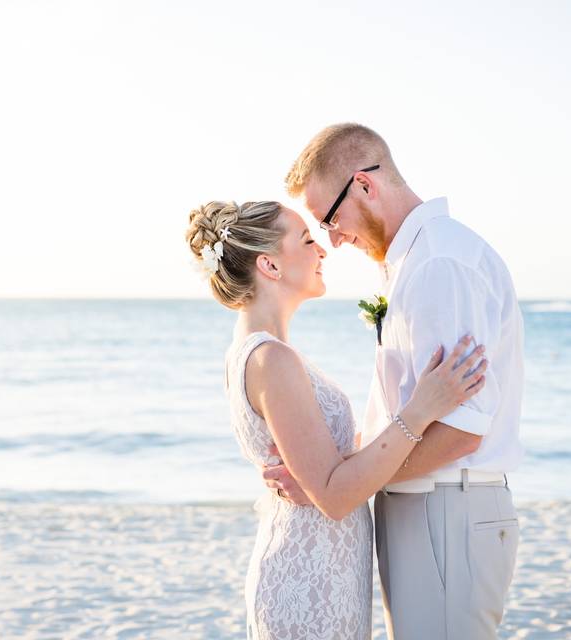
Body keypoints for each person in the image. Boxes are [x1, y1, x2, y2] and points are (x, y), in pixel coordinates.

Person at [265, 123, 524, 639]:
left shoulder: (438, 265)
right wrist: (332, 474)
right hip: (424, 509)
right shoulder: (412, 263)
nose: (333, 241)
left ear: (364, 185)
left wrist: (338, 483)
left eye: (330, 220)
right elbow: (404, 411)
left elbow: (460, 430)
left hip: (446, 508)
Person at [185, 199, 487, 639]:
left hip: (323, 570)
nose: (322, 249)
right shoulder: (272, 358)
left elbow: (324, 471)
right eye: (307, 239)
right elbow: (334, 496)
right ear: (269, 264)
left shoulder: (256, 351)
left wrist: (329, 470)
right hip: (310, 580)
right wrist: (422, 408)